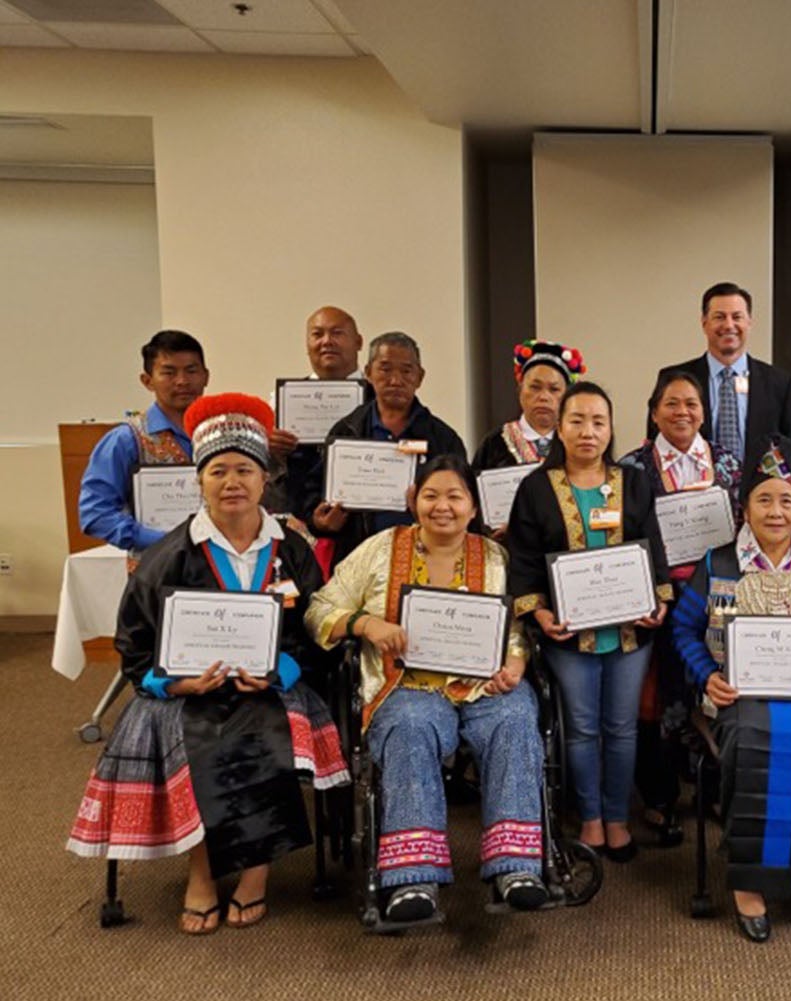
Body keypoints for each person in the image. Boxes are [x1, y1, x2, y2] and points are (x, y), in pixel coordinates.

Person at [67, 394, 348, 934]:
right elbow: (133, 644)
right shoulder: (168, 556)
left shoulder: (291, 550)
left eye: (245, 469)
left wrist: (281, 673)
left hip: (272, 685)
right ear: (200, 481)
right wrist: (173, 682)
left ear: (266, 480)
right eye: (218, 470)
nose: (232, 482)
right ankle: (204, 868)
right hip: (185, 689)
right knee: (199, 734)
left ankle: (255, 873)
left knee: (266, 728)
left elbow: (317, 630)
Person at [305, 455, 547, 922]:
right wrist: (364, 623)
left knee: (517, 716)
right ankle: (413, 877)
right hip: (405, 685)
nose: (443, 507)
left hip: (484, 686)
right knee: (411, 727)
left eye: (455, 496)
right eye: (431, 495)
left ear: (473, 507)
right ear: (413, 501)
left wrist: (515, 663)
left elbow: (515, 629)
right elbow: (319, 608)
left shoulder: (494, 557)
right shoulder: (380, 549)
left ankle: (516, 867)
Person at [671, 434, 791, 943]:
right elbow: (684, 630)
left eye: (786, 500)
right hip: (738, 699)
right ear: (745, 508)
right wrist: (706, 675)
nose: (775, 512)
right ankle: (749, 878)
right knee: (751, 742)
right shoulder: (718, 564)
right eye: (763, 499)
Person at [507, 382, 673, 862]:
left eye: (598, 421)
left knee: (621, 727)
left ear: (611, 429)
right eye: (577, 420)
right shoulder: (535, 487)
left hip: (628, 632)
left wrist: (658, 601)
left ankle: (618, 817)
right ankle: (591, 819)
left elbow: (654, 549)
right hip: (567, 633)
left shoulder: (634, 482)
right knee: (581, 728)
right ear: (559, 427)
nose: (588, 431)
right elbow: (523, 560)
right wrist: (538, 610)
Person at [619, 370, 743, 842]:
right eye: (671, 404)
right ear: (654, 412)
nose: (682, 412)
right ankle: (659, 795)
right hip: (656, 597)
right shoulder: (632, 467)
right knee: (657, 700)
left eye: (691, 404)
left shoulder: (728, 463)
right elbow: (625, 535)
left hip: (717, 597)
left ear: (703, 412)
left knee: (712, 696)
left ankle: (711, 788)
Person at [305, 332, 467, 564]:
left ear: (420, 377)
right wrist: (320, 522)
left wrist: (428, 508)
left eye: (406, 371)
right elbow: (314, 491)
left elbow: (462, 504)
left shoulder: (442, 439)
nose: (395, 380)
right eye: (385, 369)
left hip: (424, 558)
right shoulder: (345, 431)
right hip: (356, 559)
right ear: (368, 373)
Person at [78, 330, 209, 552]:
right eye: (169, 372)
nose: (182, 381)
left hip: (223, 570)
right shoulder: (126, 439)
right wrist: (158, 540)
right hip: (155, 573)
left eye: (191, 371)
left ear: (206, 376)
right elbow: (95, 514)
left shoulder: (225, 431)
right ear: (147, 381)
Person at [649, 281, 791, 464]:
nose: (729, 325)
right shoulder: (673, 379)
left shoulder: (780, 383)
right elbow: (655, 446)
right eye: (719, 317)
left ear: (749, 322)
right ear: (704, 323)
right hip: (693, 488)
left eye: (737, 317)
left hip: (758, 489)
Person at [263, 306, 369, 517]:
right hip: (298, 522)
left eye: (337, 333)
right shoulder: (282, 401)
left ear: (358, 342)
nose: (327, 341)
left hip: (362, 524)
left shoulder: (379, 399)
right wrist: (270, 450)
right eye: (317, 334)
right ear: (307, 345)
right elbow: (259, 471)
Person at [472, 340, 586, 471]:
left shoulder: (578, 442)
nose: (543, 397)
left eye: (554, 389)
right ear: (520, 391)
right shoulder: (494, 443)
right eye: (535, 387)